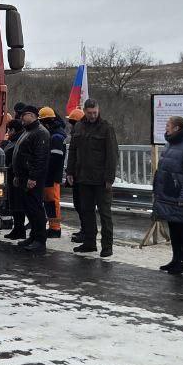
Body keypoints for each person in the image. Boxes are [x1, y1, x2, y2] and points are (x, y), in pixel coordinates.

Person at [66, 99, 119, 258]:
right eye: (89, 113)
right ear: (85, 111)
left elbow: (112, 155)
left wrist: (109, 178)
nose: (92, 115)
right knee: (86, 212)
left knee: (105, 214)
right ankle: (89, 243)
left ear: (98, 110)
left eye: (95, 112)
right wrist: (70, 171)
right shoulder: (79, 127)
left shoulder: (106, 128)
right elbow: (73, 151)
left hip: (101, 180)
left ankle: (107, 246)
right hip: (83, 178)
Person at [152, 116, 183, 275]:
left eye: (168, 125)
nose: (165, 128)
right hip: (169, 194)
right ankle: (175, 259)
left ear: (176, 128)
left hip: (180, 195)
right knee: (173, 227)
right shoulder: (170, 143)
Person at [10, 106, 51, 252]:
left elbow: (40, 158)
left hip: (32, 178)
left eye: (24, 115)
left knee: (35, 208)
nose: (21, 117)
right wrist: (17, 175)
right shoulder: (28, 131)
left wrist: (33, 177)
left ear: (33, 115)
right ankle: (33, 236)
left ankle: (40, 239)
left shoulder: (40, 133)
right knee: (28, 208)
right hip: (23, 177)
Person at [38, 107, 67, 239]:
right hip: (50, 174)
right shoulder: (55, 133)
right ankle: (53, 227)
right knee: (50, 202)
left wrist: (47, 171)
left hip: (52, 175)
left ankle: (55, 229)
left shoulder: (56, 136)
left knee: (53, 202)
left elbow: (55, 158)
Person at [1, 116, 28, 240]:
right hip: (12, 176)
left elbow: (17, 159)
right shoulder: (14, 140)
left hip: (16, 177)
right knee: (14, 203)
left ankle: (19, 229)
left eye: (9, 130)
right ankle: (17, 228)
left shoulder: (19, 141)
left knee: (18, 204)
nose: (7, 133)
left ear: (13, 130)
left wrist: (11, 168)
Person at [66, 108, 87, 244]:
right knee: (79, 204)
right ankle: (84, 230)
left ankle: (86, 232)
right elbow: (72, 156)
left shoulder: (83, 135)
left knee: (83, 206)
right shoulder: (77, 134)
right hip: (77, 174)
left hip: (83, 175)